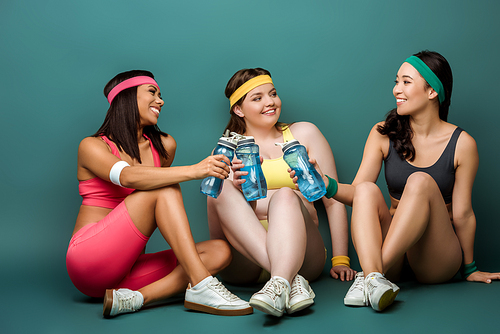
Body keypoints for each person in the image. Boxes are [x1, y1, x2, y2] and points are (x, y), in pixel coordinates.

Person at [321, 50, 500, 312]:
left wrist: (470, 268)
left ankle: (369, 275)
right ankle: (375, 277)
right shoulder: (383, 133)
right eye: (396, 81)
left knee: (419, 181)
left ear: (432, 92)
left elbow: (462, 214)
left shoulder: (462, 144)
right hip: (392, 260)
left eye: (406, 82)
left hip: (435, 257)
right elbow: (358, 194)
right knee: (368, 190)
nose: (396, 90)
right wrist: (326, 184)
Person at [66, 70, 253, 318]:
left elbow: (155, 194)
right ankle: (201, 285)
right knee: (163, 188)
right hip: (88, 262)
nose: (161, 101)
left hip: (127, 271)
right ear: (127, 98)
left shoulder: (164, 146)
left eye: (161, 95)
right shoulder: (93, 146)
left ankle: (136, 299)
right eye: (152, 93)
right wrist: (196, 170)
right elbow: (128, 176)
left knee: (220, 251)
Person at [207, 68, 355, 317]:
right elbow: (219, 229)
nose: (270, 102)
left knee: (286, 195)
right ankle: (287, 281)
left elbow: (333, 200)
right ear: (238, 110)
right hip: (245, 262)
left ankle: (278, 283)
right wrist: (236, 190)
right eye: (258, 98)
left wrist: (341, 259)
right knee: (220, 185)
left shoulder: (304, 134)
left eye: (272, 94)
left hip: (305, 256)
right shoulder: (225, 151)